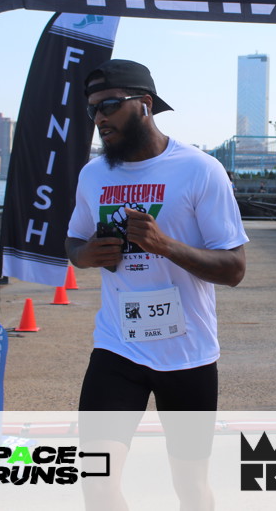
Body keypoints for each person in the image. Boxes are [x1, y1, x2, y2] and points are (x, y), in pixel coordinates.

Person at [65, 59, 247, 511]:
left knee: (190, 487)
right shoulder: (93, 175)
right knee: (97, 483)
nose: (100, 118)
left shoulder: (200, 169)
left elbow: (234, 268)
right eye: (92, 109)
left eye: (109, 105)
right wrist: (88, 255)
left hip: (188, 353)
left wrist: (165, 246)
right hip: (117, 347)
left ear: (145, 104)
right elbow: (74, 242)